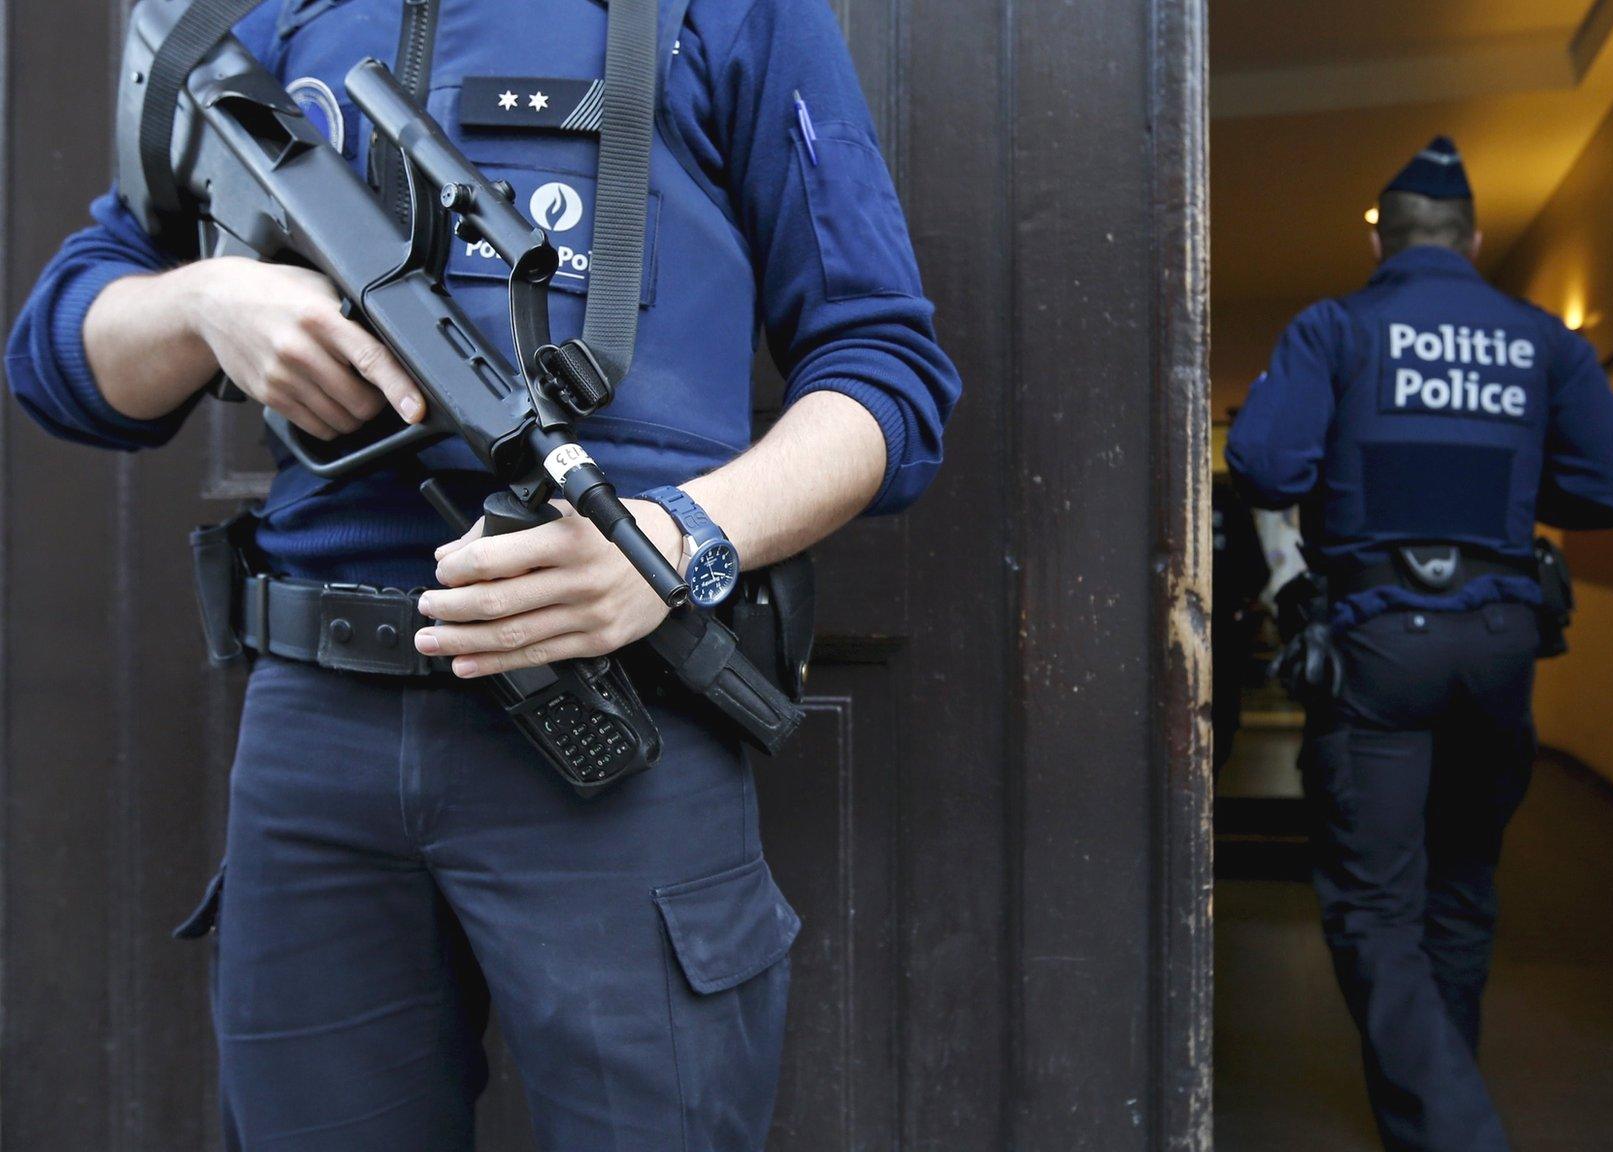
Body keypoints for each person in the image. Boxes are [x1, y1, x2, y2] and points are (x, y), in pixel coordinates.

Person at [5, 0, 959, 1147]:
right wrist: (207, 302)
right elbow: (59, 357)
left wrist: (675, 542)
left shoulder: (732, 11)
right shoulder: (266, 16)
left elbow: (886, 373)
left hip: (612, 721)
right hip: (317, 736)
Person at [1225, 135, 1613, 1152]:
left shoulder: (1335, 327)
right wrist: (1507, 496)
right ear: (1471, 236)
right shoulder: (1539, 339)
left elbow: (1262, 465)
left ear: (1381, 237)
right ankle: (1431, 1122)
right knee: (1460, 895)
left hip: (1379, 647)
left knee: (1374, 908)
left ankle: (1452, 1134)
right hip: (1502, 640)